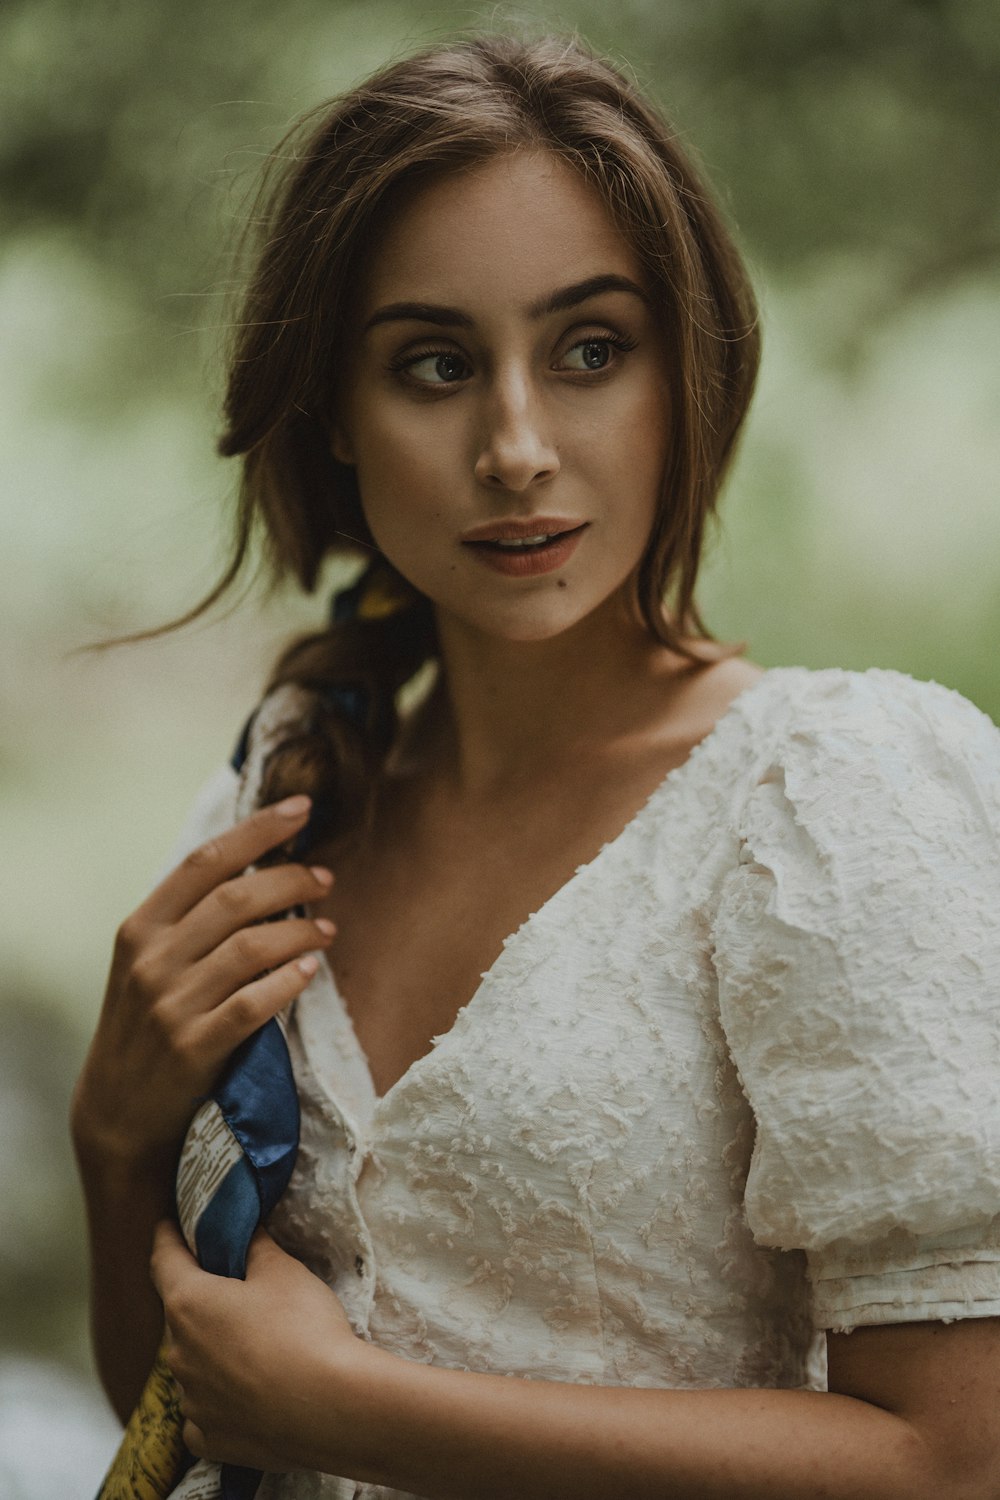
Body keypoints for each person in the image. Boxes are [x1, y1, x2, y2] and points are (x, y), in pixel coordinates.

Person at [72, 31, 1000, 1500]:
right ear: (334, 413)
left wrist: (356, 1408)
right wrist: (114, 1145)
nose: (516, 446)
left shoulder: (831, 802)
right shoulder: (280, 805)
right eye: (434, 365)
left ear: (685, 374)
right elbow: (198, 1417)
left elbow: (958, 1463)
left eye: (589, 350)